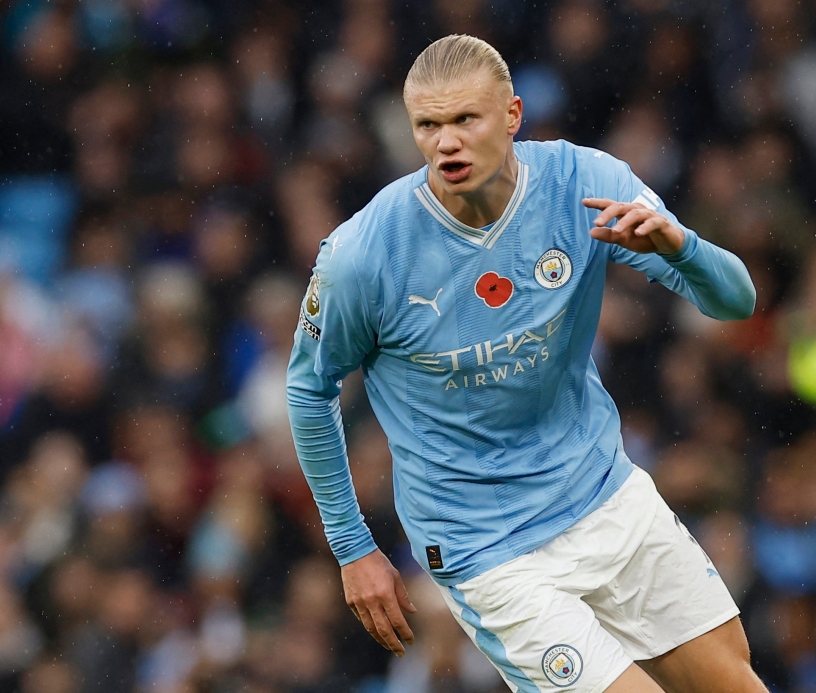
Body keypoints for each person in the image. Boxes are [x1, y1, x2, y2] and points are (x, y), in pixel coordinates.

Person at [286, 34, 765, 693]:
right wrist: (352, 547)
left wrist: (682, 248)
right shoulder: (363, 255)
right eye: (428, 125)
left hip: (605, 494)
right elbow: (309, 389)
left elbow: (737, 301)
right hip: (486, 547)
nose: (446, 142)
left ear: (511, 115)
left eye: (465, 120)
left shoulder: (585, 185)